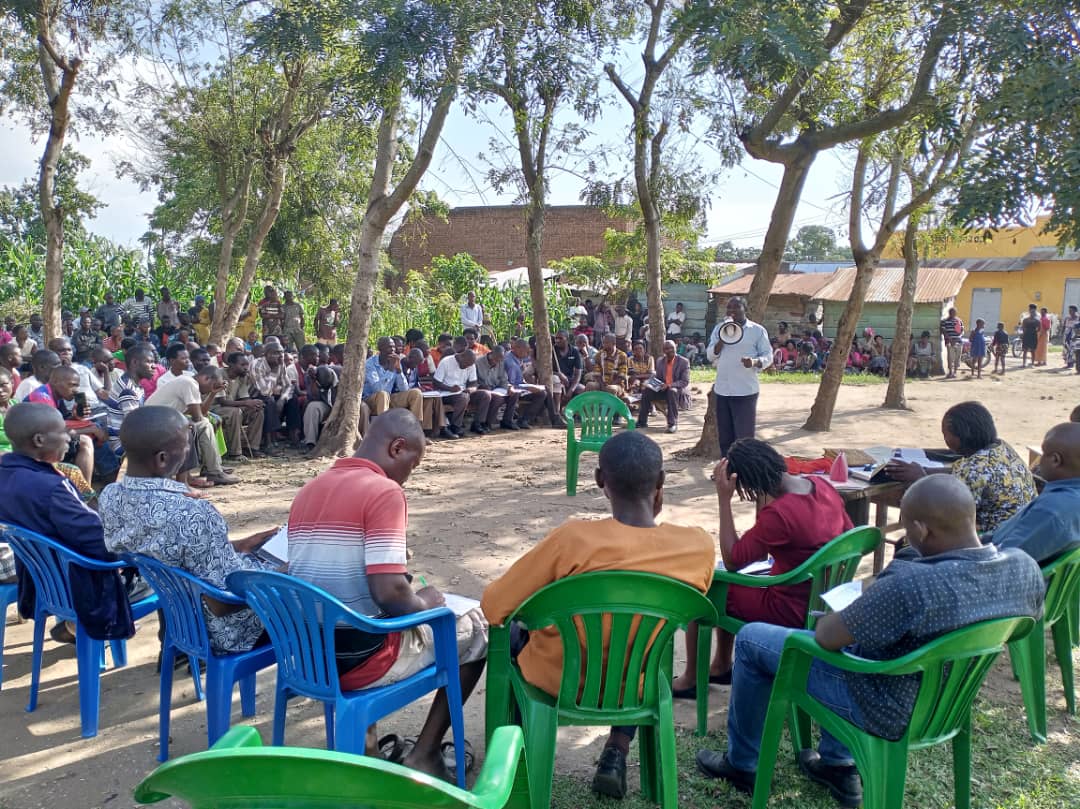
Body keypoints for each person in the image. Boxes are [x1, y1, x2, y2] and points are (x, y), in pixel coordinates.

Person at [694, 475, 1045, 806]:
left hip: (884, 705)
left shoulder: (911, 585)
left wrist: (871, 593)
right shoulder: (1024, 568)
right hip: (949, 700)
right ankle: (836, 763)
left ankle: (742, 765)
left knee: (754, 638)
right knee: (869, 641)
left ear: (921, 529)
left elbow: (826, 637)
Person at [481, 431, 715, 800]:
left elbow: (494, 607)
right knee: (636, 640)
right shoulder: (697, 547)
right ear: (661, 483)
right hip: (637, 684)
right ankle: (617, 751)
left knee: (513, 633)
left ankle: (517, 757)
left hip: (560, 680)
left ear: (600, 481)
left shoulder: (573, 540)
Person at [289, 409, 487, 778]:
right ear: (398, 448)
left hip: (308, 657)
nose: (410, 476)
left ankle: (366, 739)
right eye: (414, 464)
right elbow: (390, 596)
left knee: (359, 611)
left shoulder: (311, 489)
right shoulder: (384, 492)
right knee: (477, 629)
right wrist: (424, 600)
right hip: (360, 661)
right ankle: (425, 753)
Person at [672, 437, 852, 698]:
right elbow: (846, 533)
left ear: (748, 483)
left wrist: (724, 500)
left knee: (708, 588)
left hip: (790, 608)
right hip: (823, 598)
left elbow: (734, 559)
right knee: (733, 586)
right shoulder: (822, 486)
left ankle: (690, 678)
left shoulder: (780, 514)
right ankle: (722, 664)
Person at [100, 407, 276, 653]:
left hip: (177, 616)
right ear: (162, 459)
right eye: (185, 446)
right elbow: (223, 605)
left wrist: (237, 546)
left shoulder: (110, 496)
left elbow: (167, 551)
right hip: (225, 632)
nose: (188, 452)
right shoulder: (192, 512)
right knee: (311, 586)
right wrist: (285, 573)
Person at [0, 403, 136, 644]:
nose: (71, 435)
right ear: (40, 440)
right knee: (163, 573)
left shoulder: (7, 473)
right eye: (63, 431)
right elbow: (102, 543)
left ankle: (72, 625)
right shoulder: (51, 487)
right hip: (77, 585)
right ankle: (74, 625)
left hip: (40, 579)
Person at [886, 401, 1036, 535]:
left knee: (910, 543)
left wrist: (921, 479)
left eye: (946, 434)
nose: (945, 439)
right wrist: (926, 471)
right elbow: (958, 471)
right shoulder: (1001, 447)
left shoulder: (974, 469)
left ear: (963, 436)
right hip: (1019, 531)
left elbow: (945, 513)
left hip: (992, 539)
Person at [987, 422, 1080, 563]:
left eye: (1043, 454)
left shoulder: (1054, 509)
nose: (1039, 461)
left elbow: (1001, 560)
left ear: (1055, 460)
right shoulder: (1064, 500)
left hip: (1011, 577)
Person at [147, 365, 238, 485]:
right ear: (206, 378)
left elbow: (202, 413)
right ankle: (213, 471)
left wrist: (212, 393)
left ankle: (211, 469)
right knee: (204, 424)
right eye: (214, 385)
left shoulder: (190, 381)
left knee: (202, 424)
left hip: (159, 422)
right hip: (152, 425)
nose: (213, 388)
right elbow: (198, 417)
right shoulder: (189, 383)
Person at [706, 296, 772, 457]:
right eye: (729, 308)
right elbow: (710, 356)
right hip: (723, 390)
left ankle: (744, 473)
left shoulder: (757, 330)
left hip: (745, 391)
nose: (732, 311)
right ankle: (727, 470)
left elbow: (768, 356)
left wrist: (755, 362)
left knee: (744, 437)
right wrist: (722, 339)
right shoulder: (719, 329)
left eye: (736, 308)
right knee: (725, 437)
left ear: (745, 309)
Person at [213, 352, 266, 459]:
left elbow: (244, 398)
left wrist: (253, 402)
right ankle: (235, 453)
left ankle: (251, 448)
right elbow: (222, 401)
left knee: (257, 410)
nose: (246, 368)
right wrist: (246, 403)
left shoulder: (242, 377)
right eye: (242, 365)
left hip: (232, 407)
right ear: (231, 364)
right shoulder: (219, 374)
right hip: (214, 408)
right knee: (235, 412)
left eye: (247, 365)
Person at [433, 344, 490, 437]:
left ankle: (478, 423)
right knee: (463, 398)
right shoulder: (446, 362)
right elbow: (436, 382)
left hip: (463, 392)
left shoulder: (471, 364)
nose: (467, 367)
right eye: (465, 364)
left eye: (469, 365)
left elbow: (473, 382)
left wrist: (471, 389)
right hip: (446, 393)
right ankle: (456, 426)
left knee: (485, 395)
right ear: (461, 356)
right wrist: (450, 388)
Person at [251, 342, 301, 448]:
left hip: (271, 394)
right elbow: (264, 391)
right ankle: (268, 442)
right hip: (254, 396)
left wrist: (282, 399)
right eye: (276, 353)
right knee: (269, 401)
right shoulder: (257, 365)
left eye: (281, 352)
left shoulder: (280, 363)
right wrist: (274, 371)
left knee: (293, 399)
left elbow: (288, 386)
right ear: (266, 354)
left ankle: (294, 437)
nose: (280, 356)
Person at [363, 337, 424, 424]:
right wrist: (391, 370)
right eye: (389, 347)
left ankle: (415, 429)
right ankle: (385, 431)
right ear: (380, 348)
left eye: (393, 347)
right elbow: (377, 389)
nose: (392, 350)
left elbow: (404, 389)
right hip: (371, 400)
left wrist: (399, 371)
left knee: (416, 393)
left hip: (389, 397)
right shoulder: (370, 364)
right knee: (383, 394)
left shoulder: (394, 362)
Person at [505, 338, 563, 428]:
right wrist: (528, 387)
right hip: (512, 390)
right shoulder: (511, 364)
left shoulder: (515, 357)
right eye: (526, 352)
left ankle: (552, 418)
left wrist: (530, 386)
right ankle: (552, 418)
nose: (528, 354)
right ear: (518, 349)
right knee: (542, 393)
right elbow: (512, 384)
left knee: (544, 391)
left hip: (519, 386)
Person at [636, 340, 690, 433]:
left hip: (677, 390)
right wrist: (651, 383)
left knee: (672, 391)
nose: (669, 350)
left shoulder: (683, 362)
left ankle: (672, 424)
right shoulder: (660, 361)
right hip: (662, 389)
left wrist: (669, 385)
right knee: (646, 391)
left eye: (671, 348)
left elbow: (684, 381)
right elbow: (659, 378)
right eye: (666, 349)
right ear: (663, 350)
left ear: (675, 348)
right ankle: (642, 421)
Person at [474, 344, 522, 431]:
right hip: (481, 389)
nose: (498, 361)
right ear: (491, 354)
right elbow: (473, 381)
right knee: (497, 398)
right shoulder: (478, 362)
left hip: (496, 389)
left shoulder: (501, 363)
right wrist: (481, 386)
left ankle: (507, 421)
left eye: (501, 358)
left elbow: (504, 379)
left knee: (514, 393)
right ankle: (485, 423)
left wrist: (509, 387)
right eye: (496, 358)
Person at [586, 333, 630, 401]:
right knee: (590, 385)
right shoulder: (599, 354)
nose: (604, 345)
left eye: (606, 343)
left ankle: (611, 410)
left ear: (613, 343)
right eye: (603, 342)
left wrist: (609, 385)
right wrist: (603, 385)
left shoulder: (622, 356)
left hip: (617, 385)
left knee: (611, 389)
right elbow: (597, 373)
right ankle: (592, 408)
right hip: (601, 383)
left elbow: (622, 375)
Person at [552, 330, 584, 411]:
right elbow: (545, 370)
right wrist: (559, 374)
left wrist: (571, 390)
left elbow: (578, 374)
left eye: (560, 338)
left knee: (582, 389)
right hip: (555, 380)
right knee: (556, 381)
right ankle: (557, 412)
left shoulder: (574, 351)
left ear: (567, 339)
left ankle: (573, 412)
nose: (557, 340)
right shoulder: (552, 351)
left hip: (569, 380)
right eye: (556, 338)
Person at [940, 307, 964, 378]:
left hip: (958, 341)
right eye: (951, 312)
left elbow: (962, 331)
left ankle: (955, 372)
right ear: (949, 313)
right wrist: (950, 340)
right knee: (950, 357)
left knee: (957, 357)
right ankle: (950, 372)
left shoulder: (959, 321)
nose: (953, 314)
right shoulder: (944, 321)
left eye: (954, 312)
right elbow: (943, 331)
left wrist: (957, 338)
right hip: (949, 342)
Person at [1021, 304, 1040, 368]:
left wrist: (1033, 332)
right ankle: (1024, 363)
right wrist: (1025, 334)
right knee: (1025, 350)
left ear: (1035, 311)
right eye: (1031, 310)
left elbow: (1039, 329)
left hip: (1033, 336)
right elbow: (1023, 328)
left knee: (1033, 350)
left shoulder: (1037, 321)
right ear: (1029, 311)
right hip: (1026, 336)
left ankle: (1032, 363)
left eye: (1033, 311)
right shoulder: (1025, 320)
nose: (1032, 312)